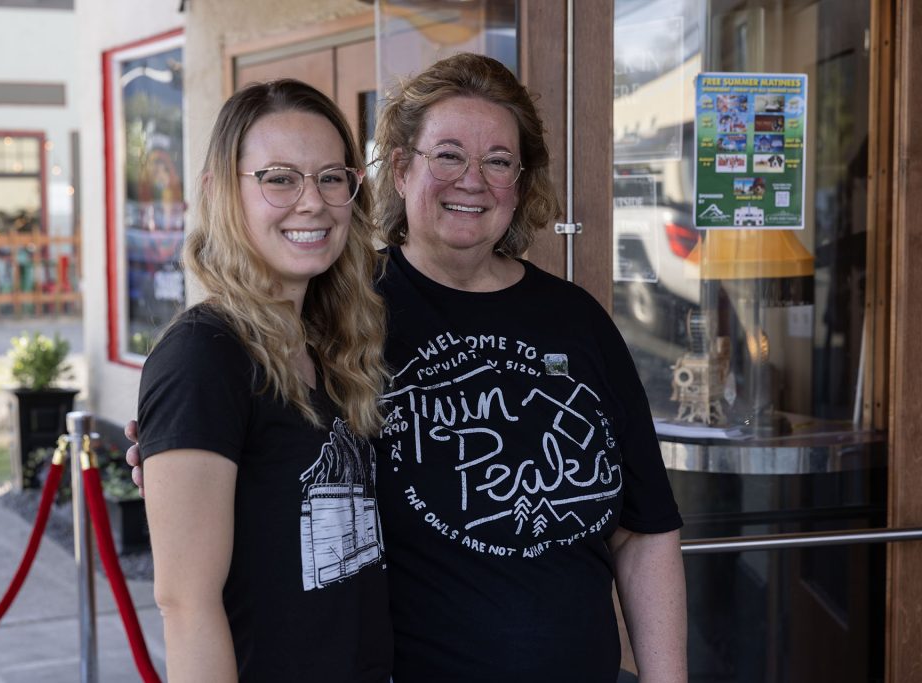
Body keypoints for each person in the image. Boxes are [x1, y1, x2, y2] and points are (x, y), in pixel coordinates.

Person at [130, 54, 686, 682]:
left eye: (498, 162)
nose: (471, 180)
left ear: (521, 182)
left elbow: (645, 527)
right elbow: (194, 571)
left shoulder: (574, 321)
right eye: (447, 155)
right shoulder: (341, 315)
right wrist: (173, 444)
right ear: (398, 168)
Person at [134, 79, 392, 682]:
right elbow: (184, 604)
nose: (313, 202)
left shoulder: (331, 346)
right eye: (279, 177)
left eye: (332, 177)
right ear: (221, 191)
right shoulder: (205, 355)